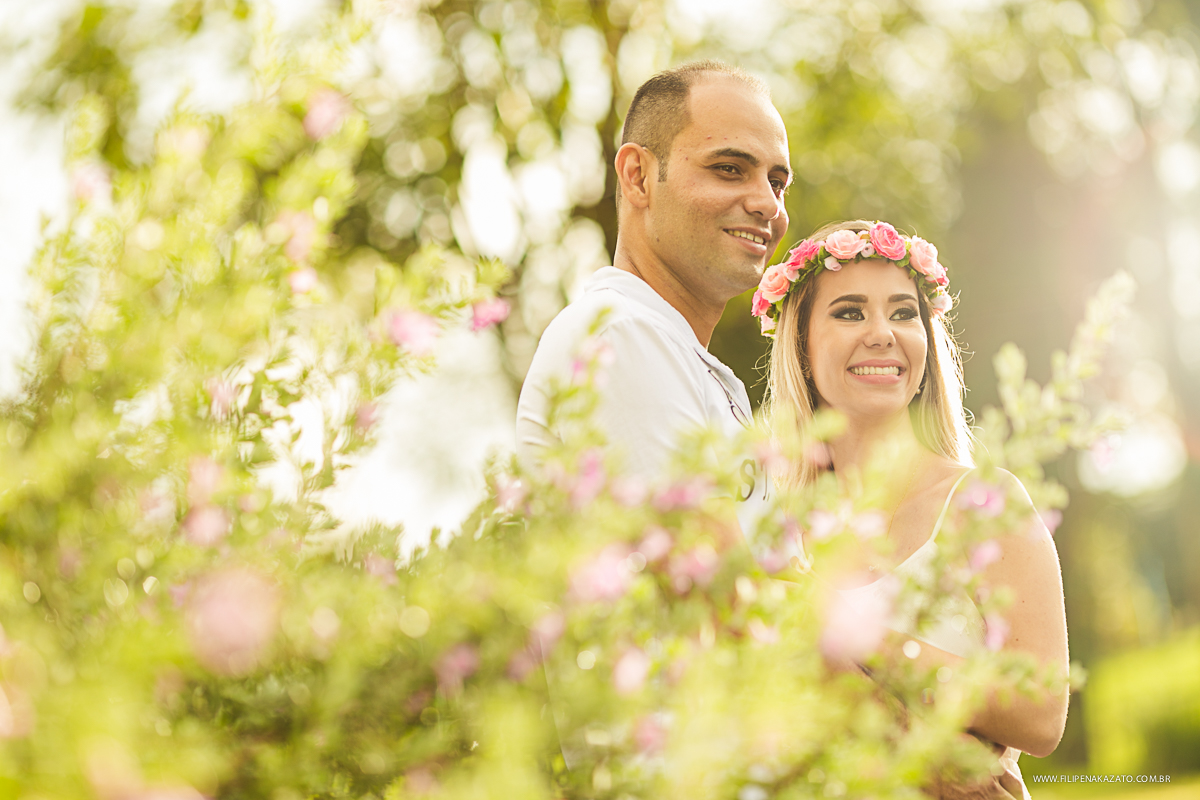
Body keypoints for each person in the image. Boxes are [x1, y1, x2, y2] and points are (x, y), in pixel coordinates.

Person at [757, 220, 1070, 799]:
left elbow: (1041, 714)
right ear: (799, 343)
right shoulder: (772, 528)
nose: (882, 333)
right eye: (850, 312)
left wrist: (856, 634)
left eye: (903, 313)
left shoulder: (982, 505)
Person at [516, 60, 792, 531]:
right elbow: (705, 583)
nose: (768, 203)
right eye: (729, 169)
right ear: (638, 176)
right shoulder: (621, 333)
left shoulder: (671, 347)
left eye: (777, 182)